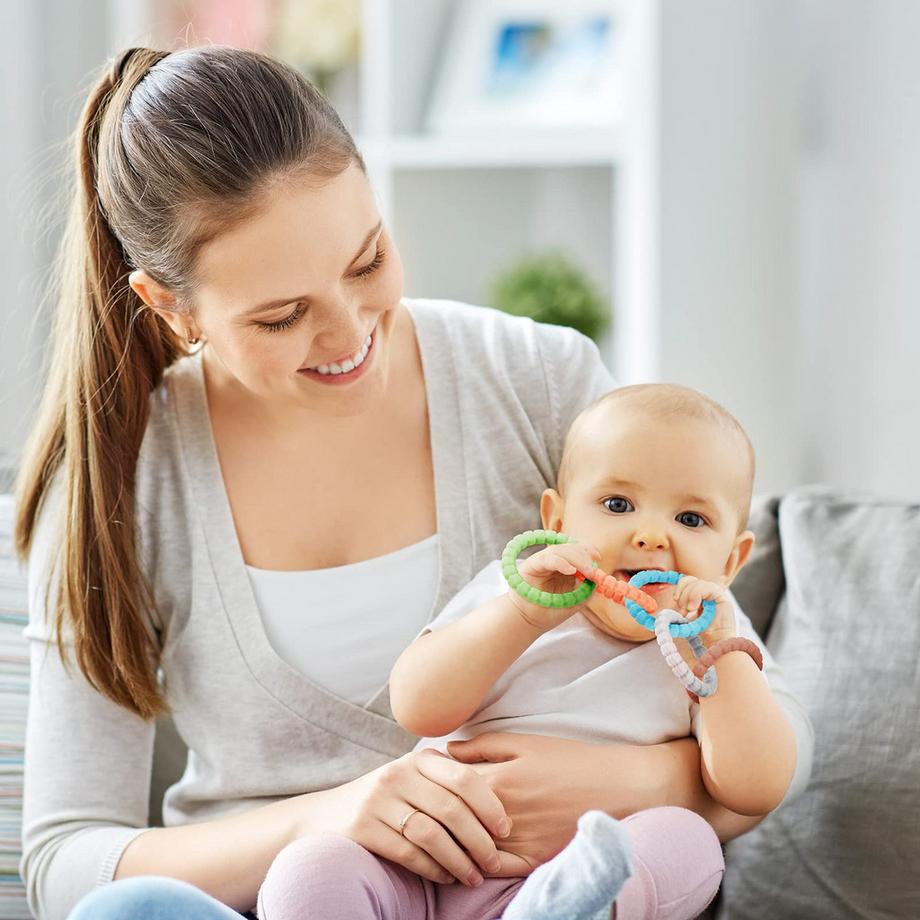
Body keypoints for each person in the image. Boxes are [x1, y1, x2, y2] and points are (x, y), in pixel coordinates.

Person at [12, 44, 813, 920]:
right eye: (281, 316)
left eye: (366, 261)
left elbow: (775, 736)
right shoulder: (122, 477)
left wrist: (643, 779)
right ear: (172, 308)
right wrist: (334, 817)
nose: (351, 332)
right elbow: (65, 858)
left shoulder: (533, 378)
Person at [254, 384, 804, 919]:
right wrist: (521, 616)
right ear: (557, 522)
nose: (649, 536)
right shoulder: (512, 591)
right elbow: (418, 707)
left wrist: (723, 659)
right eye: (617, 503)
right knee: (312, 867)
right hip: (426, 869)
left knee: (687, 842)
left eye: (690, 519)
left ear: (732, 562)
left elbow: (754, 789)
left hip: (581, 880)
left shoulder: (717, 644)